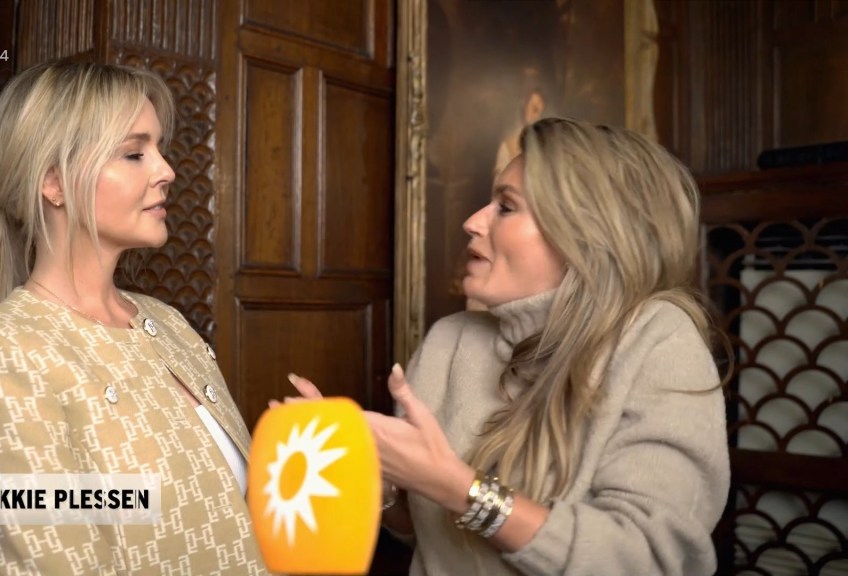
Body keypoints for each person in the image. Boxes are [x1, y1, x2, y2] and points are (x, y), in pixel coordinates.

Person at [287, 117, 730, 575]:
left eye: (506, 206)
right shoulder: (449, 341)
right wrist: (373, 478)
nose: (472, 221)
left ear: (586, 233)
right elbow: (425, 532)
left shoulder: (659, 341)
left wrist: (458, 488)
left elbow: (646, 559)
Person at [0, 60, 269, 575]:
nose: (166, 170)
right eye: (134, 153)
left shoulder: (169, 324)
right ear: (54, 182)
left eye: (159, 148)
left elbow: (234, 522)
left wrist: (324, 460)